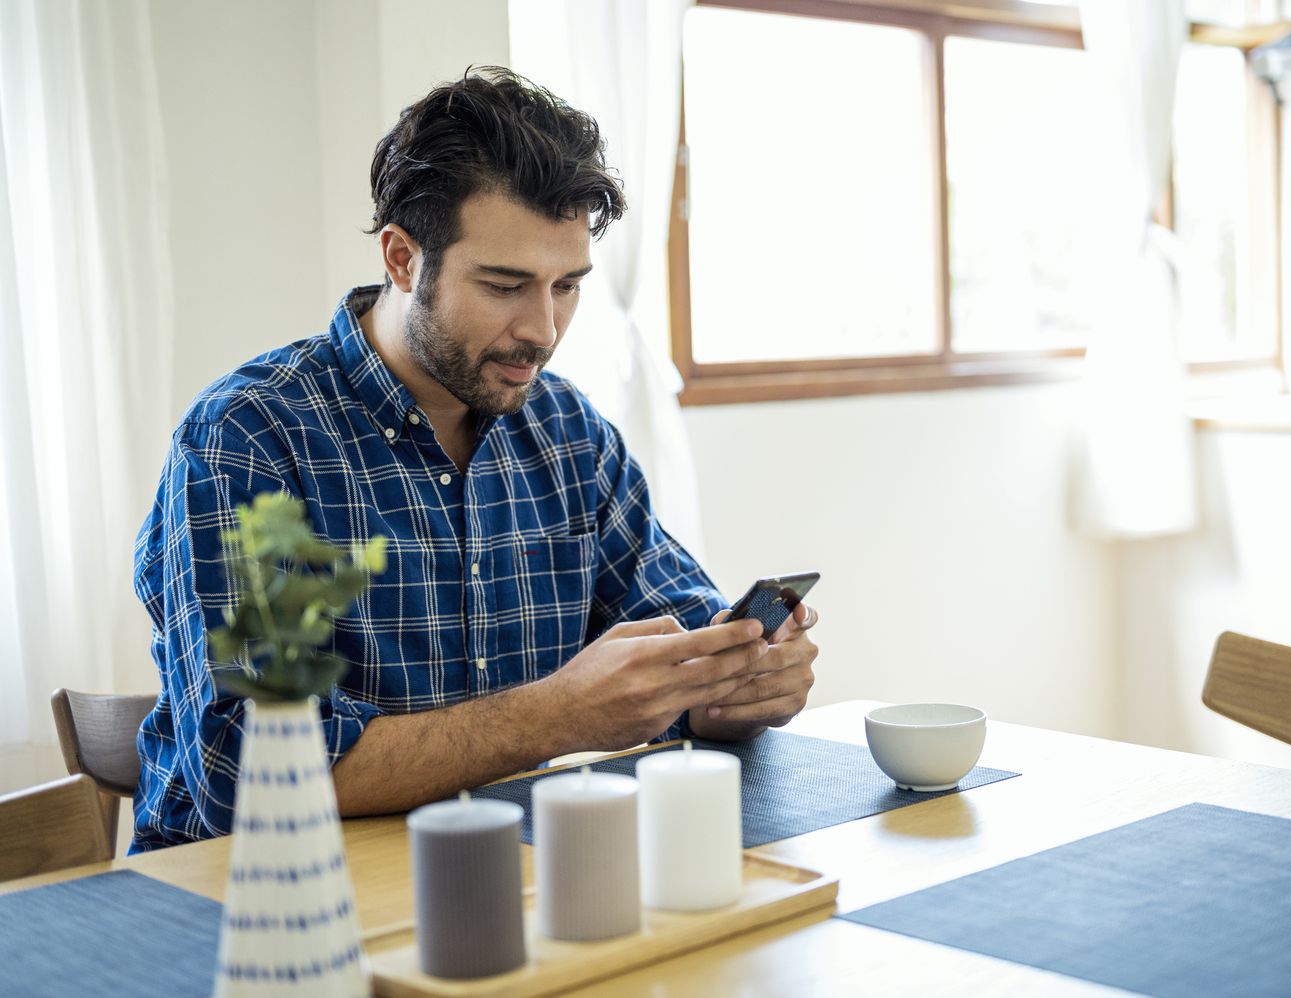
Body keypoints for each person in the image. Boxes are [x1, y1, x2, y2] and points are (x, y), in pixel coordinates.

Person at [130, 67, 819, 852]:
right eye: (504, 285)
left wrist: (737, 679)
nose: (543, 328)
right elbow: (247, 770)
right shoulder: (250, 438)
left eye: (567, 285)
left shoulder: (567, 433)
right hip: (253, 904)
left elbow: (681, 638)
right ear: (401, 258)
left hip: (497, 873)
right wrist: (555, 716)